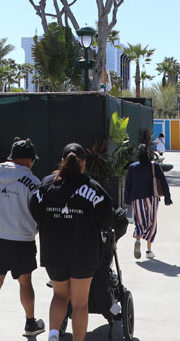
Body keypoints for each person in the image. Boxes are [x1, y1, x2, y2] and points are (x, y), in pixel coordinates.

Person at [30, 142, 113, 341]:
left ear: (62, 161)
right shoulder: (92, 187)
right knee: (79, 304)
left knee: (59, 296)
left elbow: (34, 210)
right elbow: (108, 218)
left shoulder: (46, 185)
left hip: (53, 253)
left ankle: (53, 335)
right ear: (84, 163)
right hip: (83, 254)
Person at [0, 138, 45, 341]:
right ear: (29, 160)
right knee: (25, 284)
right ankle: (30, 323)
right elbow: (38, 211)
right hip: (21, 240)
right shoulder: (32, 181)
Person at [124, 143, 172, 260]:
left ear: (138, 155)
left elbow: (128, 185)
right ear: (148, 154)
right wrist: (167, 197)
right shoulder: (154, 165)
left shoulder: (132, 167)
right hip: (152, 198)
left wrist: (127, 200)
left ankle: (138, 239)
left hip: (137, 198)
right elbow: (163, 182)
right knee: (152, 221)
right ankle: (149, 250)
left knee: (140, 221)